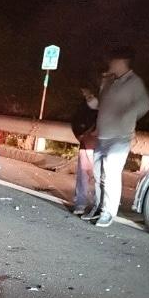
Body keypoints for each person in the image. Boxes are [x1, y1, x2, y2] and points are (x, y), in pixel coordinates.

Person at [87, 46, 149, 228]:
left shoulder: (134, 82)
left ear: (121, 62)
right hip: (103, 135)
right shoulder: (108, 82)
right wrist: (92, 101)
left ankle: (108, 212)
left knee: (111, 173)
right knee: (98, 173)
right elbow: (102, 105)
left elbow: (144, 103)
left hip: (120, 137)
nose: (110, 64)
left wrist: (129, 114)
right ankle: (98, 207)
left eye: (113, 61)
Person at [69, 84, 99, 216]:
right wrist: (81, 135)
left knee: (94, 176)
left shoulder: (104, 104)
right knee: (85, 175)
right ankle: (82, 203)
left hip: (97, 144)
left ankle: (91, 204)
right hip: (89, 143)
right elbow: (76, 121)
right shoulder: (84, 107)